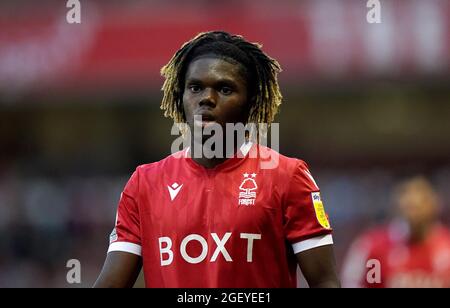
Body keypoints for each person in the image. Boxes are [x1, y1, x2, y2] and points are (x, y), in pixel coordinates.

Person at [94, 31, 340, 288]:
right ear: (181, 97)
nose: (206, 99)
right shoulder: (145, 183)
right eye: (195, 87)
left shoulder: (288, 176)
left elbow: (325, 282)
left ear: (251, 102)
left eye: (224, 89)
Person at [342, 176, 450, 288]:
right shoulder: (371, 247)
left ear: (436, 202)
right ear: (397, 203)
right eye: (407, 198)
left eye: (422, 198)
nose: (414, 202)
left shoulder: (447, 246)